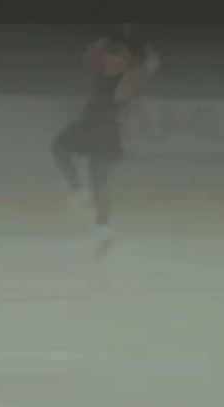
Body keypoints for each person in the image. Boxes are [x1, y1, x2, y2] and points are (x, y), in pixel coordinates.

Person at [51, 24, 159, 260]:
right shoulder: (103, 72)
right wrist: (109, 38)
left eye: (115, 58)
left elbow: (150, 65)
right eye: (108, 58)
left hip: (104, 133)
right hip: (89, 125)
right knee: (59, 148)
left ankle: (103, 227)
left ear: (125, 62)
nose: (109, 61)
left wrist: (138, 44)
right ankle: (79, 190)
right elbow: (88, 56)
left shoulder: (129, 79)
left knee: (98, 180)